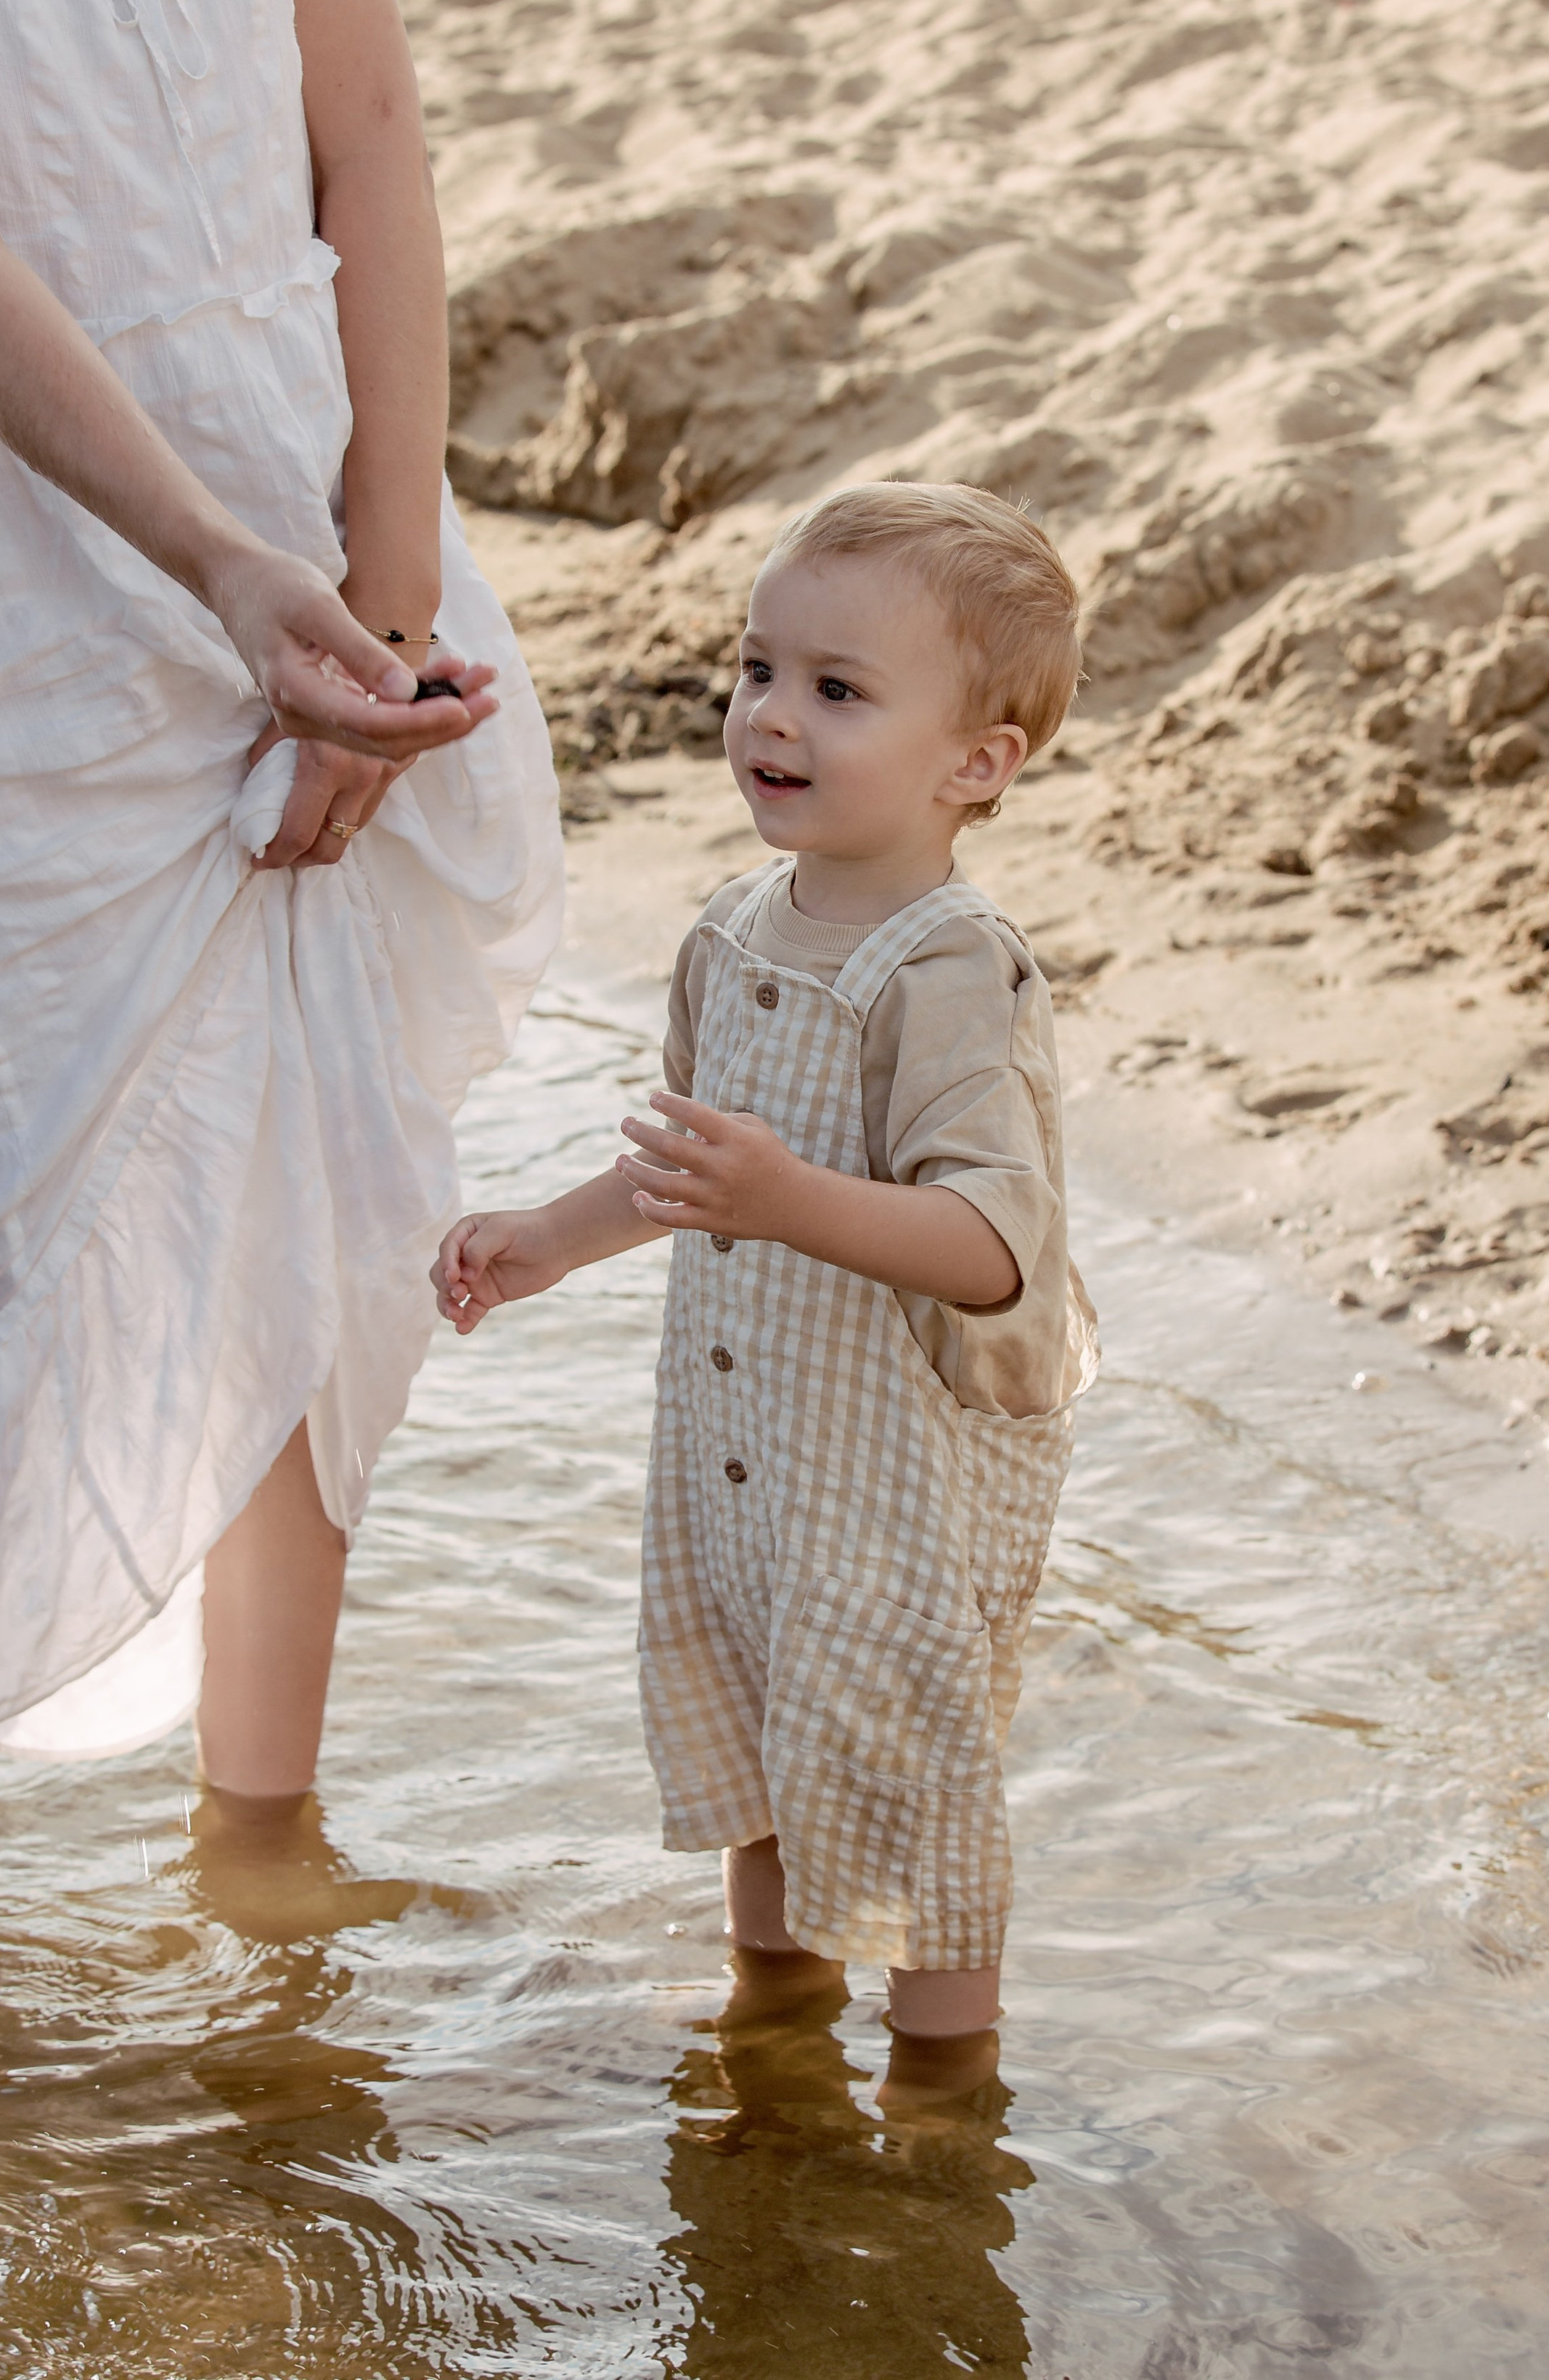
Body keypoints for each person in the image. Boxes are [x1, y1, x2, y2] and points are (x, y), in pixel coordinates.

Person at [0, 0, 563, 1833]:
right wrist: (229, 580)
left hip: (341, 543)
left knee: (322, 1211)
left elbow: (365, 117)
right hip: (23, 630)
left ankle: (268, 1880)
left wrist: (383, 593)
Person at [435, 483, 1096, 2100]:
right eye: (755, 671)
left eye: (837, 690)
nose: (769, 719)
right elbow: (692, 1167)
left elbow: (994, 1246)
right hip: (748, 1467)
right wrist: (549, 1235)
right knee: (756, 1744)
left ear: (974, 764)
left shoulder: (948, 968)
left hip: (897, 1488)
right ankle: (773, 2038)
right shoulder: (732, 931)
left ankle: (947, 2098)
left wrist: (790, 1200)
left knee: (913, 1772)